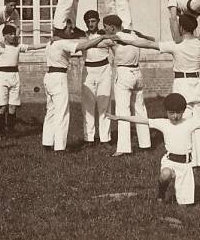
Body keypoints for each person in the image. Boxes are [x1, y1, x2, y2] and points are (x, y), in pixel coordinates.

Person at [107, 93, 200, 205]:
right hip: (170, 161)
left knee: (184, 205)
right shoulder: (163, 123)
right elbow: (140, 119)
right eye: (171, 113)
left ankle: (181, 197)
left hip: (185, 166)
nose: (175, 116)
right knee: (166, 174)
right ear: (166, 112)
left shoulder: (190, 123)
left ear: (184, 111)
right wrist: (118, 117)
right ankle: (161, 193)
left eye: (178, 113)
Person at [114, 14, 200, 167]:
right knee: (199, 125)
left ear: (182, 28)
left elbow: (147, 44)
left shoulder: (176, 45)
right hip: (198, 84)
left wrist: (124, 38)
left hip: (183, 84)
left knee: (183, 123)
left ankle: (187, 157)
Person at [41, 19, 112, 152]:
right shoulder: (62, 42)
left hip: (49, 77)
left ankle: (47, 142)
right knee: (62, 112)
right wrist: (102, 37)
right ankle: (60, 148)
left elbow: (78, 40)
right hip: (58, 77)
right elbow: (84, 46)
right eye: (69, 29)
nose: (72, 31)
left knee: (51, 110)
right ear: (62, 30)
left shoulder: (51, 43)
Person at [102, 14, 150, 155]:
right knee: (140, 109)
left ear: (112, 27)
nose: (104, 30)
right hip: (137, 72)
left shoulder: (113, 39)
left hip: (123, 73)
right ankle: (145, 144)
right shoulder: (133, 34)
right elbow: (147, 38)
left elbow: (94, 44)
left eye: (105, 27)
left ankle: (123, 148)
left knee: (123, 111)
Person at [81, 10, 114, 146]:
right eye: (88, 22)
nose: (90, 24)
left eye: (93, 21)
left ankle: (105, 138)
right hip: (88, 70)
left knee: (104, 103)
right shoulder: (81, 36)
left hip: (104, 70)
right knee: (87, 105)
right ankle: (89, 138)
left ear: (98, 21)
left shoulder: (105, 35)